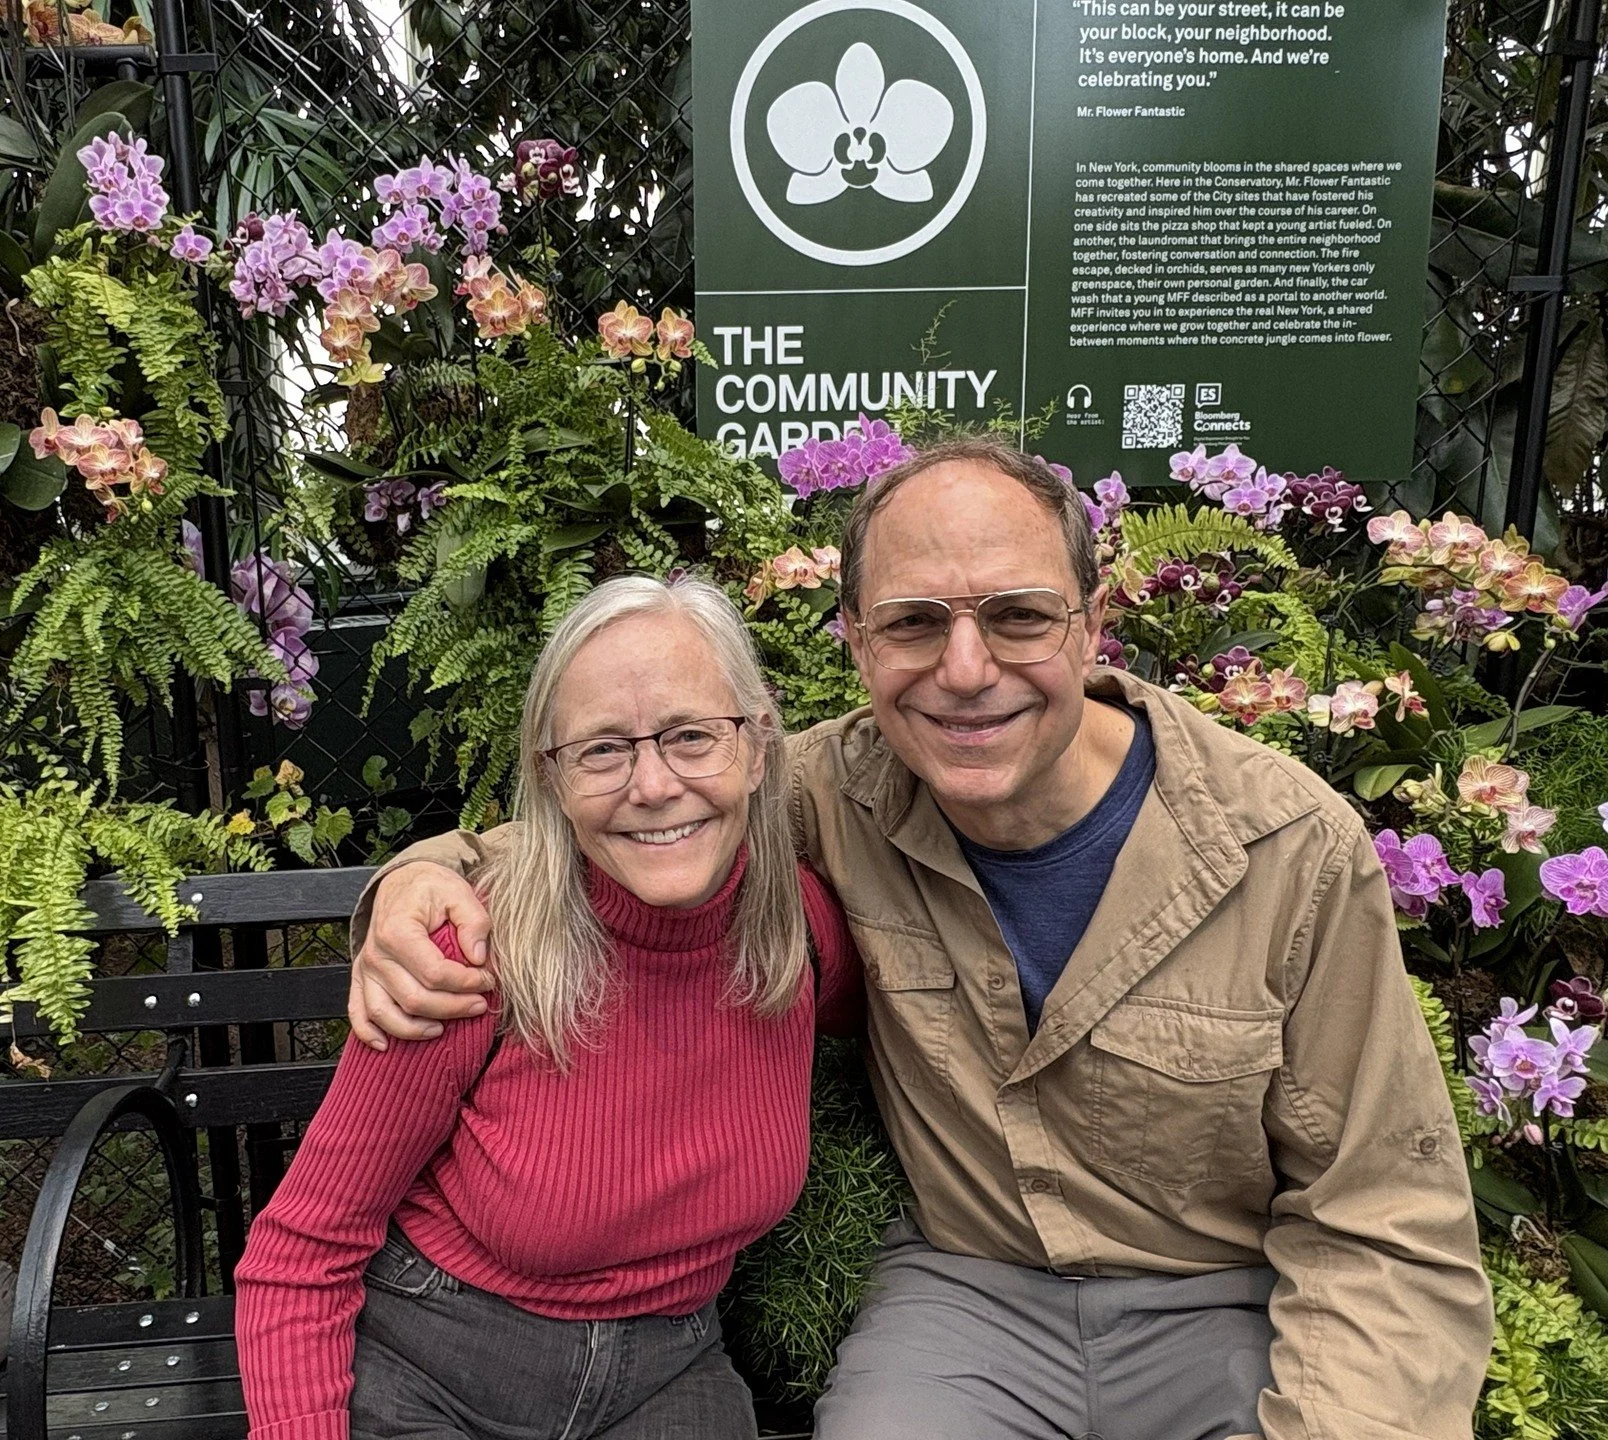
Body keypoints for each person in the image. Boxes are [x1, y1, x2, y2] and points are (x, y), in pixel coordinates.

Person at [349, 436, 1493, 1440]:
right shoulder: (828, 790)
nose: (965, 671)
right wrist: (417, 881)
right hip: (973, 1293)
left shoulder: (1288, 852)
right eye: (913, 624)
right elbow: (604, 825)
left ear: (1094, 625)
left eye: (1019, 616)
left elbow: (1385, 1221)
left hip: (1220, 1303)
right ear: (857, 643)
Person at [234, 575, 860, 1440]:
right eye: (602, 750)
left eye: (691, 735)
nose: (653, 784)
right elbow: (303, 1252)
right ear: (551, 778)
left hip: (670, 1370)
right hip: (432, 1366)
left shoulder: (802, 938)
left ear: (756, 748)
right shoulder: (471, 955)